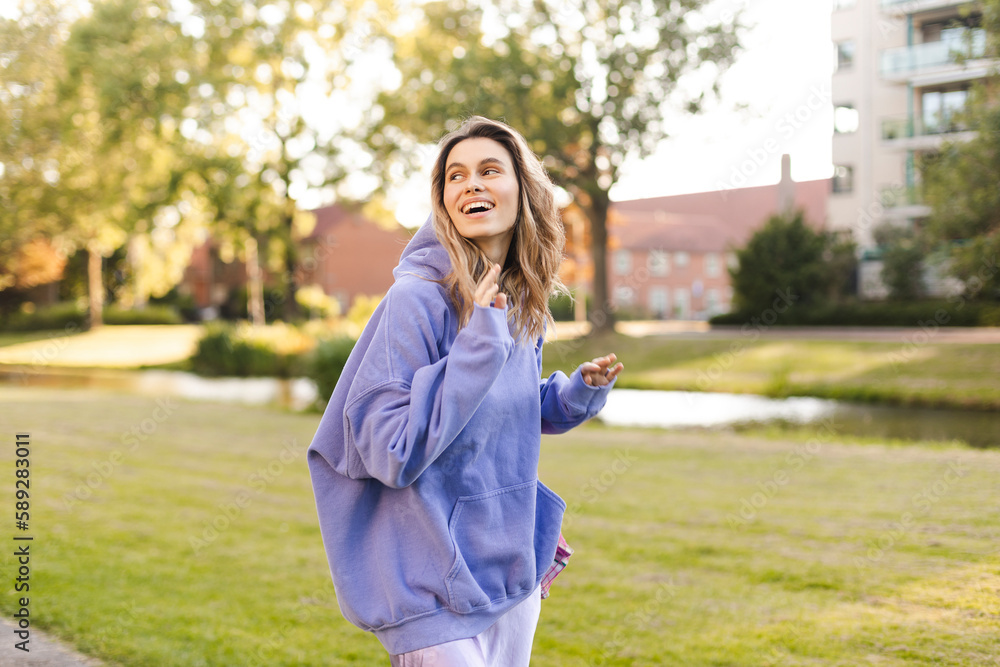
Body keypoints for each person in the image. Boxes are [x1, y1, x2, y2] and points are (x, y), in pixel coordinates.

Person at [307, 115, 623, 666]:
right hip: (431, 582)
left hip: (507, 570)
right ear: (443, 200)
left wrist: (575, 395)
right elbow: (391, 450)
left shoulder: (516, 301)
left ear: (523, 191)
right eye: (455, 176)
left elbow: (506, 407)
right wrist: (479, 341)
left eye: (488, 170)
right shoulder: (416, 301)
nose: (470, 183)